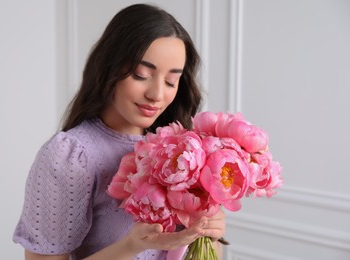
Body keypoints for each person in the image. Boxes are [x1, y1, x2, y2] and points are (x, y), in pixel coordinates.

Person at [13, 3, 226, 260]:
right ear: (109, 68)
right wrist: (131, 246)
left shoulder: (183, 152)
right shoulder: (71, 156)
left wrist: (209, 234)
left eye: (171, 81)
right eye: (141, 74)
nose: (157, 94)